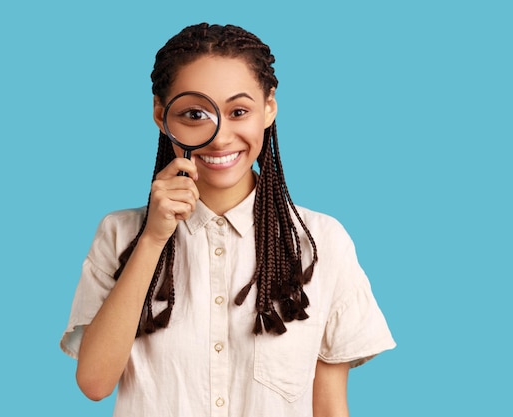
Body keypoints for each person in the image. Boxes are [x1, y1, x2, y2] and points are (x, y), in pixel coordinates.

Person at [60, 22, 395, 417]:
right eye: (195, 113)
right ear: (160, 114)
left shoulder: (322, 242)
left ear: (269, 107)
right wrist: (152, 238)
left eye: (239, 111)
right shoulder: (120, 235)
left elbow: (329, 405)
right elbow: (95, 383)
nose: (219, 139)